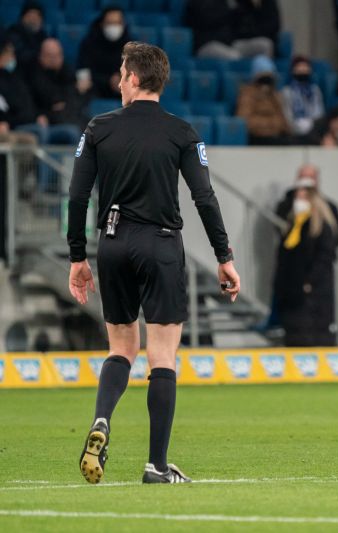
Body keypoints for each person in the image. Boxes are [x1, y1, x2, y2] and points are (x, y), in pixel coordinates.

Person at [68, 42, 241, 485]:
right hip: (161, 244)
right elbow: (204, 197)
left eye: (121, 72)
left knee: (120, 348)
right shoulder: (182, 132)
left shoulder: (98, 128)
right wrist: (224, 257)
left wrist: (77, 256)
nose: (117, 80)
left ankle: (103, 419)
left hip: (112, 241)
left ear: (135, 79)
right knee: (161, 355)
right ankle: (157, 466)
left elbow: (77, 196)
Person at [272, 165, 338, 345]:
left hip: (314, 295)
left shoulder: (324, 222)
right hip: (292, 295)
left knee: (314, 336)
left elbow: (327, 252)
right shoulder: (289, 215)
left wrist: (309, 283)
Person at [27, 38, 88, 137]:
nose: (54, 60)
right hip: (46, 118)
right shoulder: (32, 74)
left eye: (57, 55)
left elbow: (71, 99)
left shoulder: (66, 71)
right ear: (41, 56)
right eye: (50, 56)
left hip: (68, 115)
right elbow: (48, 97)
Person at [78, 7, 131, 99]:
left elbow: (137, 72)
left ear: (123, 24)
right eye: (110, 23)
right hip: (95, 90)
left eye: (117, 23)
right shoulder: (89, 42)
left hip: (122, 92)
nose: (114, 27)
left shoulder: (131, 45)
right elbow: (83, 70)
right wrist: (108, 81)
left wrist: (122, 80)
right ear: (102, 24)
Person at [235, 56, 290, 145]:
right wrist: (271, 124)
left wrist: (272, 125)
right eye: (263, 76)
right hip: (256, 139)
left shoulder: (275, 95)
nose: (266, 81)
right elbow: (245, 122)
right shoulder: (248, 94)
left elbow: (283, 123)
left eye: (269, 76)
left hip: (276, 137)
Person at [280, 56, 326, 141]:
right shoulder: (287, 91)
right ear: (293, 70)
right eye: (299, 67)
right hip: (295, 130)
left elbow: (319, 111)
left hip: (314, 129)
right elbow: (287, 115)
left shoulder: (315, 90)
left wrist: (314, 125)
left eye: (305, 67)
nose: (303, 70)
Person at [6, 2, 47, 71]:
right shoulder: (14, 33)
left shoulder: (43, 36)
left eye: (37, 17)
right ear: (22, 18)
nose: (33, 20)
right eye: (30, 16)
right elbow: (21, 56)